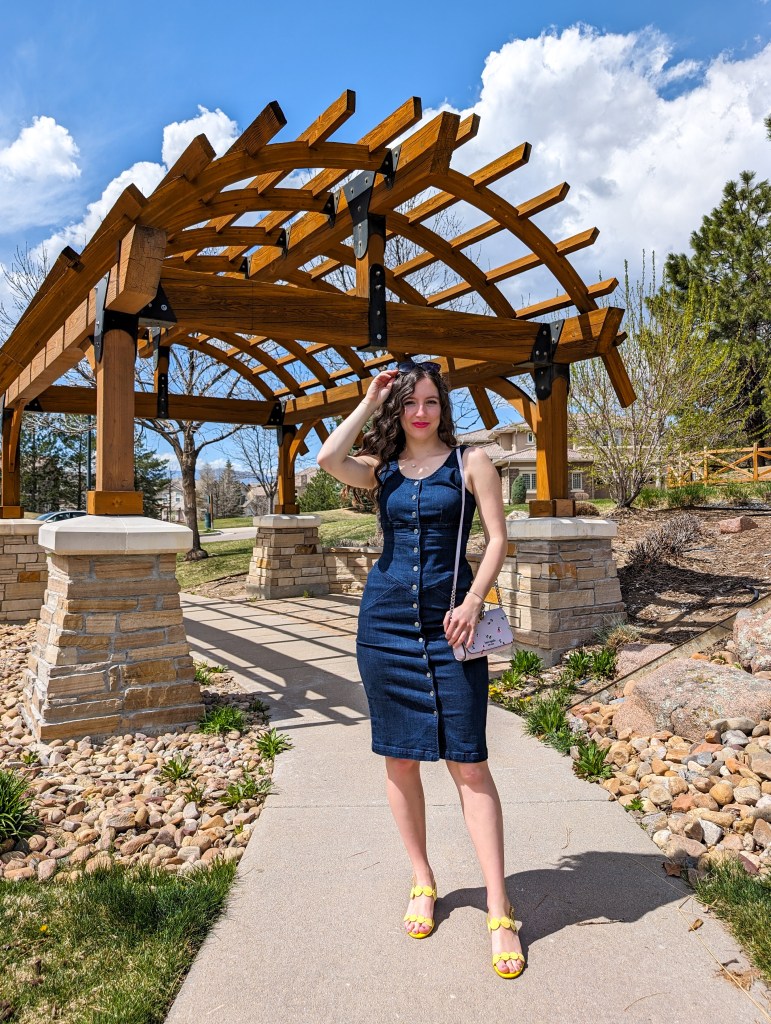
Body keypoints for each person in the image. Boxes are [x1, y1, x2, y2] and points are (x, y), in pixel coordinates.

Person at [317, 359, 525, 979]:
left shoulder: (472, 462)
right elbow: (329, 457)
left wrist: (473, 599)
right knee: (399, 757)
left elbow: (496, 538)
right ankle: (423, 879)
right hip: (383, 628)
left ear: (443, 406)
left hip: (452, 623)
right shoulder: (380, 471)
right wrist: (369, 396)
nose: (421, 412)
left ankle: (498, 904)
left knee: (470, 762)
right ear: (396, 409)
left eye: (431, 401)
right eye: (410, 402)